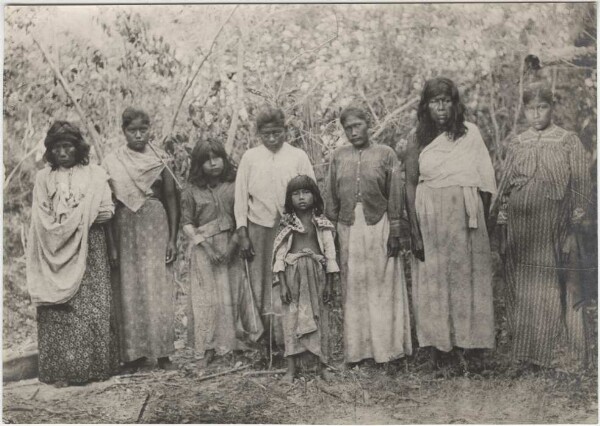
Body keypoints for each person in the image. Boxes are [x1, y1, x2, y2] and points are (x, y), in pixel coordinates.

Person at [495, 82, 591, 370]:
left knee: (553, 283)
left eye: (542, 107)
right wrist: (502, 218)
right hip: (521, 229)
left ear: (552, 108)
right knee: (522, 286)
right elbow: (505, 187)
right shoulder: (517, 142)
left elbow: (582, 186)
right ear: (524, 110)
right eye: (530, 108)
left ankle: (555, 355)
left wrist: (573, 224)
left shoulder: (567, 140)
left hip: (553, 226)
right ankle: (524, 355)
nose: (536, 114)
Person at [405, 77, 496, 370]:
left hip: (465, 216)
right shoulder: (417, 138)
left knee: (468, 278)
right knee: (436, 279)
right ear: (426, 106)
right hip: (430, 214)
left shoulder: (471, 134)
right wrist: (415, 229)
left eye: (446, 101)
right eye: (435, 101)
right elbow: (409, 184)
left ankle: (473, 348)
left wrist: (481, 223)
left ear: (454, 104)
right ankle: (442, 349)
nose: (441, 107)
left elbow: (484, 181)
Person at [26, 121, 117, 386]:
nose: (63, 152)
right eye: (57, 148)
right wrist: (67, 224)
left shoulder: (95, 175)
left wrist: (76, 218)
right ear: (50, 151)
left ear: (78, 148)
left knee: (91, 306)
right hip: (52, 247)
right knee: (59, 309)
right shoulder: (44, 178)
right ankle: (61, 372)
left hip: (91, 246)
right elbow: (40, 215)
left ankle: (93, 369)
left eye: (68, 146)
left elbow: (106, 211)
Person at [326, 105, 412, 365]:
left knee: (383, 285)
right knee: (355, 286)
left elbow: (396, 191)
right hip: (348, 226)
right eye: (348, 128)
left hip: (379, 224)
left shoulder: (386, 154)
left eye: (358, 126)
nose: (353, 132)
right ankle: (358, 352)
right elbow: (330, 195)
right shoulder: (338, 157)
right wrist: (330, 233)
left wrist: (395, 227)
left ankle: (388, 351)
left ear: (368, 124)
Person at [234, 105, 316, 356]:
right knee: (260, 283)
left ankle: (290, 341)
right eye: (267, 134)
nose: (272, 139)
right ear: (258, 133)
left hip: (291, 227)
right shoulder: (250, 158)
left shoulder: (297, 156)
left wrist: (307, 228)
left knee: (288, 281)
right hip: (259, 228)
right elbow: (240, 197)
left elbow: (311, 190)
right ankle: (264, 342)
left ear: (286, 131)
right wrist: (243, 232)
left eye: (277, 133)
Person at [103, 107, 179, 371]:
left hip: (156, 224)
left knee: (157, 284)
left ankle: (163, 353)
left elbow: (171, 198)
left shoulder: (160, 158)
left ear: (150, 129)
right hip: (125, 225)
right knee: (129, 287)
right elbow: (109, 204)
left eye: (143, 130)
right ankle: (133, 355)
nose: (138, 135)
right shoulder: (113, 161)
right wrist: (111, 244)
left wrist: (173, 239)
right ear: (123, 132)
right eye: (132, 130)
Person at [181, 139, 261, 366]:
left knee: (230, 296)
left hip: (232, 245)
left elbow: (241, 216)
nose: (213, 163)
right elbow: (187, 223)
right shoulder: (191, 190)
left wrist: (232, 246)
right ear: (198, 164)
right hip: (203, 249)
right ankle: (207, 348)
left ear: (224, 159)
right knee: (206, 299)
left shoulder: (235, 185)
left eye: (216, 158)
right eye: (206, 160)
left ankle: (230, 345)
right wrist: (206, 246)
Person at [273, 175, 339, 382]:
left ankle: (323, 366)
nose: (301, 198)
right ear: (289, 198)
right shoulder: (286, 225)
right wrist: (282, 284)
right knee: (291, 320)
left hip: (317, 277)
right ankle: (291, 369)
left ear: (315, 195)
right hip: (293, 277)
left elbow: (330, 255)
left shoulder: (322, 223)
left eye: (306, 192)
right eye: (296, 193)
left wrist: (330, 283)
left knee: (321, 318)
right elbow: (280, 256)